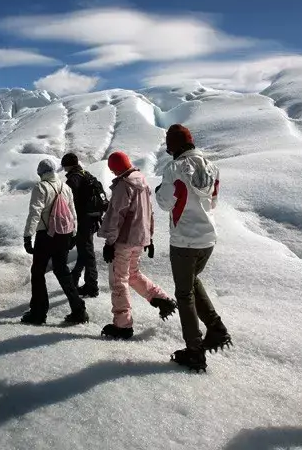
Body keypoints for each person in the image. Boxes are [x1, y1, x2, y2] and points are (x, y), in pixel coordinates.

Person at [155, 124, 231, 372]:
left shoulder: (174, 168)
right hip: (207, 239)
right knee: (192, 281)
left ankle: (195, 351)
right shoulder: (211, 166)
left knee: (184, 294)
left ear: (174, 146)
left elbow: (166, 203)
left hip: (184, 239)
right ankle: (217, 330)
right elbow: (214, 201)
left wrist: (159, 191)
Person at [98, 151, 177, 340]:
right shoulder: (141, 181)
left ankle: (123, 325)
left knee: (119, 281)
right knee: (132, 275)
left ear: (115, 168)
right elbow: (149, 211)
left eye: (112, 169)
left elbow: (117, 216)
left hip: (123, 240)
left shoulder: (123, 186)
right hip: (140, 239)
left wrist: (109, 243)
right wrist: (149, 237)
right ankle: (161, 299)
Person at [20, 159, 88, 326]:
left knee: (37, 272)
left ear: (41, 173)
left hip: (46, 235)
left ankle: (38, 312)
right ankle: (78, 309)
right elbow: (73, 213)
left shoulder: (41, 187)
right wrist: (73, 234)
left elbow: (35, 212)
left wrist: (28, 236)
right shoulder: (66, 187)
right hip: (64, 235)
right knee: (62, 271)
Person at [61, 153, 108, 297]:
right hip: (93, 218)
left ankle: (92, 286)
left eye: (64, 166)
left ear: (68, 165)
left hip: (83, 220)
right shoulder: (85, 174)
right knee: (84, 250)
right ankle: (75, 279)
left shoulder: (74, 179)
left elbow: (68, 201)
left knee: (87, 252)